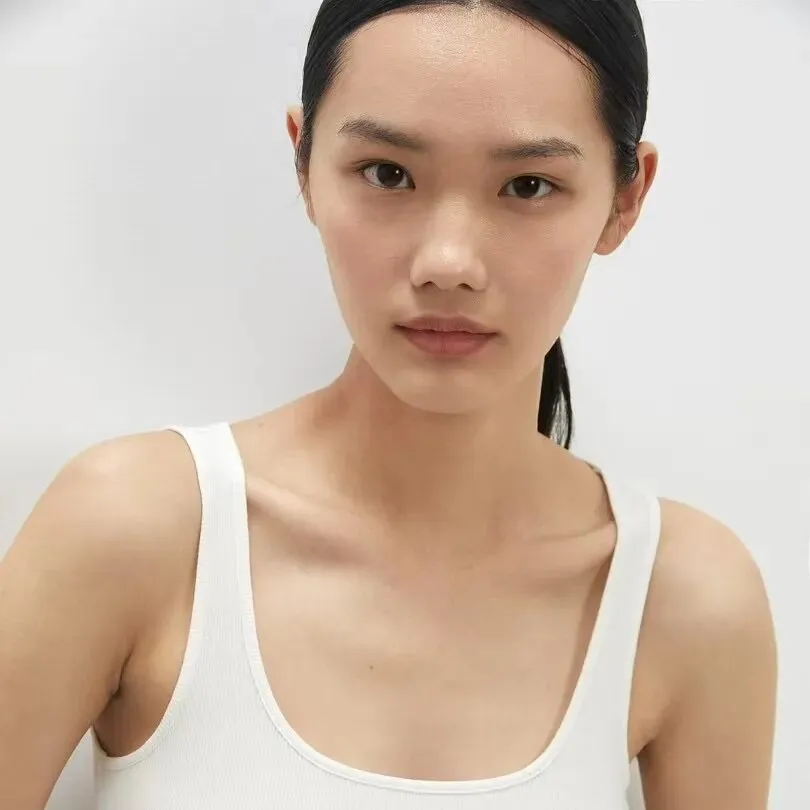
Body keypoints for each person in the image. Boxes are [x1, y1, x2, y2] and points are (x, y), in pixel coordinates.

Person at [0, 1, 778, 808]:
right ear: (303, 161)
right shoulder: (135, 530)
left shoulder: (687, 600)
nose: (449, 262)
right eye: (387, 174)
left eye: (529, 185)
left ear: (626, 198)